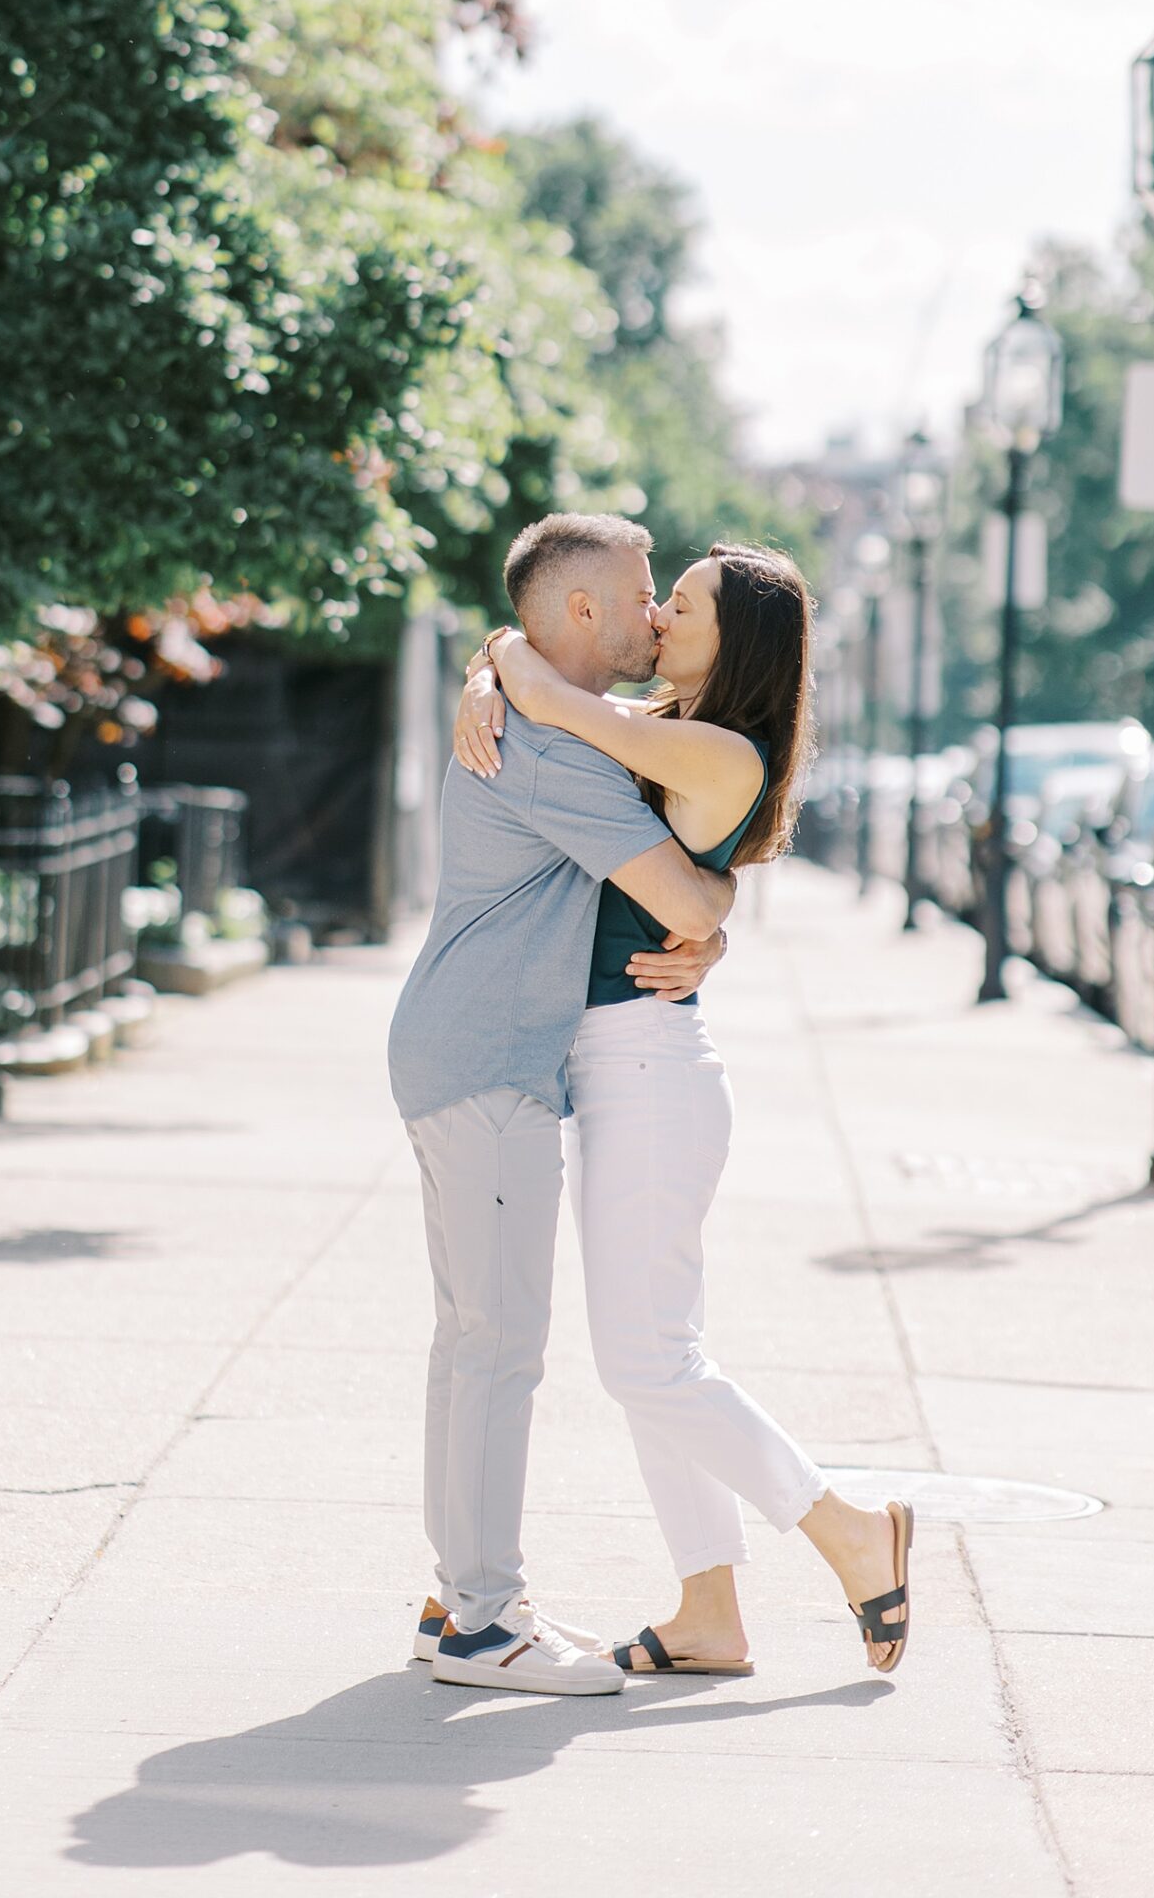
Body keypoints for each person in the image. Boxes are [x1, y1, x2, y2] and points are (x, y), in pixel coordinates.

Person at [454, 542, 911, 1679]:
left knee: (646, 1361)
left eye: (686, 606)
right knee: (659, 1353)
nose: (658, 615)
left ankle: (849, 1528)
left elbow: (556, 698)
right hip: (621, 1068)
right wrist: (492, 667)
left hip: (647, 1071)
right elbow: (562, 709)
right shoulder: (675, 723)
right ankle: (710, 1609)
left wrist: (502, 651)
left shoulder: (713, 748)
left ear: (734, 639)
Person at [387, 513, 742, 1697]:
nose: (654, 616)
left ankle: (458, 1600)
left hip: (464, 1054)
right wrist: (719, 920)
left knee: (472, 1341)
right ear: (581, 612)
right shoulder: (555, 753)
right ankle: (486, 1623)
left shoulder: (538, 717)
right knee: (499, 1345)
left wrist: (502, 659)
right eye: (643, 595)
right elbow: (679, 902)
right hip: (490, 1064)